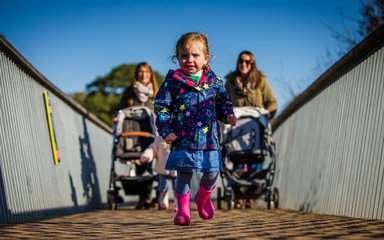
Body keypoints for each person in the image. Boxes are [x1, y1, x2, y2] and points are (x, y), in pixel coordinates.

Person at [154, 32, 237, 226]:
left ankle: (202, 197)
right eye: (184, 56)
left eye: (195, 55)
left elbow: (223, 104)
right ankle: (183, 209)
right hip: (183, 138)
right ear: (178, 58)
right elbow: (161, 106)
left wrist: (228, 116)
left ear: (206, 58)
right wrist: (165, 129)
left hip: (210, 139)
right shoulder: (173, 81)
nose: (189, 60)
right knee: (184, 173)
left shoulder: (215, 82)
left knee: (212, 172)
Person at [225, 50, 278, 209]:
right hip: (237, 129)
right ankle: (239, 194)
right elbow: (222, 103)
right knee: (238, 159)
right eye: (241, 61)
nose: (243, 64)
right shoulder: (231, 82)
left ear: (252, 64)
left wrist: (267, 111)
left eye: (247, 62)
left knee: (256, 159)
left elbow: (272, 102)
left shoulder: (261, 80)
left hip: (256, 127)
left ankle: (252, 195)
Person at [115, 62, 159, 210]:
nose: (143, 75)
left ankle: (146, 197)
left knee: (150, 165)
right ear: (136, 74)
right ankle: (144, 197)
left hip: (151, 134)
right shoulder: (129, 91)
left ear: (150, 74)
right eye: (140, 72)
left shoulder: (156, 93)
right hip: (132, 136)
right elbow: (120, 110)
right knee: (139, 163)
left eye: (146, 72)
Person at [140, 135, 178, 211]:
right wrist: (147, 155)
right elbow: (153, 149)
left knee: (178, 188)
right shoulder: (159, 139)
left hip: (177, 169)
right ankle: (163, 198)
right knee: (163, 185)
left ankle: (178, 203)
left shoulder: (180, 136)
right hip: (163, 168)